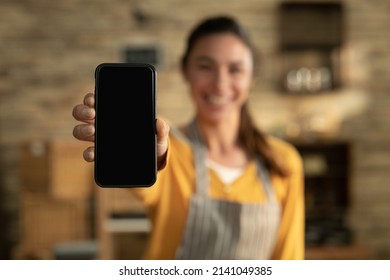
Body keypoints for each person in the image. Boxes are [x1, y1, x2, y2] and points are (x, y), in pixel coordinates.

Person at [72, 16, 304, 260]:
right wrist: (138, 155)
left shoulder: (283, 160)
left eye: (235, 69)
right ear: (186, 72)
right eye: (205, 67)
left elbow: (289, 259)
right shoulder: (167, 148)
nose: (220, 84)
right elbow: (145, 185)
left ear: (252, 77)